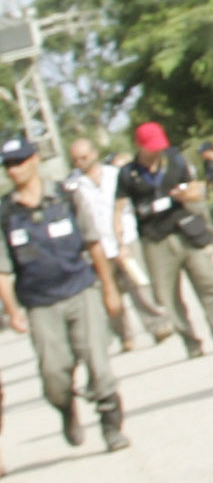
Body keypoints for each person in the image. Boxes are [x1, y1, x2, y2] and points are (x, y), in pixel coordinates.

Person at [2, 132, 132, 452]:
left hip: (80, 289)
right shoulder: (6, 213)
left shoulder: (66, 196)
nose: (13, 170)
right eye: (8, 165)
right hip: (40, 302)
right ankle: (66, 409)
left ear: (35, 160)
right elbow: (2, 269)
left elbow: (93, 244)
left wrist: (110, 290)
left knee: (98, 362)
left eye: (19, 162)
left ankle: (111, 427)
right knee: (53, 376)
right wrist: (13, 310)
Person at [118, 121, 213, 357]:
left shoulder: (175, 160)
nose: (156, 151)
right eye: (151, 147)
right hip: (155, 239)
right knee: (167, 296)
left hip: (185, 230)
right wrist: (120, 243)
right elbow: (118, 209)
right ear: (138, 145)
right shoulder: (128, 174)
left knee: (208, 281)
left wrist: (187, 194)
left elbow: (198, 189)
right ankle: (190, 342)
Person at [66, 136, 175, 350]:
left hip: (125, 238)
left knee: (139, 284)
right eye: (76, 159)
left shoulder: (116, 175)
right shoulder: (72, 186)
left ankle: (157, 325)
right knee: (110, 291)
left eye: (84, 157)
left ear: (94, 154)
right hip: (97, 246)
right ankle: (124, 335)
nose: (80, 162)